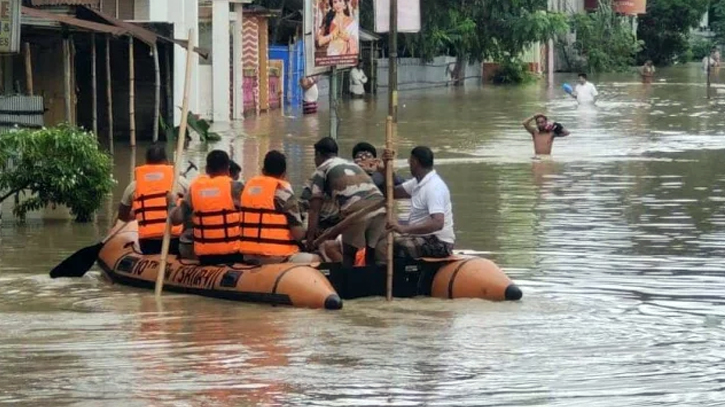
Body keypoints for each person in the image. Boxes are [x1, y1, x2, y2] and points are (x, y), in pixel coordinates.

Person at [305, 137, 386, 268]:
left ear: (318, 155)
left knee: (349, 254)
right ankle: (372, 284)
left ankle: (347, 285)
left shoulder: (321, 170)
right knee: (370, 254)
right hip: (381, 209)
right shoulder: (352, 165)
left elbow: (314, 209)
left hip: (357, 214)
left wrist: (310, 241)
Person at [239, 151, 320, 264]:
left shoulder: (246, 190)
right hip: (277, 257)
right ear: (284, 174)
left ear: (263, 171)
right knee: (318, 259)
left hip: (247, 256)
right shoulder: (284, 194)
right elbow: (298, 235)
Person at [169, 150, 244, 265]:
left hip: (205, 256)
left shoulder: (195, 189)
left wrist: (172, 203)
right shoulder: (236, 187)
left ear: (207, 169)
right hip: (232, 254)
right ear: (228, 169)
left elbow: (176, 219)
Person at [382, 146, 456, 259]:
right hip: (421, 237)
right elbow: (391, 192)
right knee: (384, 239)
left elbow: (438, 223)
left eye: (410, 161)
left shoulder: (434, 187)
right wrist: (386, 167)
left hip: (438, 242)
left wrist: (404, 229)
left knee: (396, 246)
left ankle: (404, 276)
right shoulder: (417, 182)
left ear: (415, 162)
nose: (409, 164)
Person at [117, 145, 188, 255]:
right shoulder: (179, 182)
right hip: (175, 241)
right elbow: (196, 205)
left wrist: (138, 213)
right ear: (167, 161)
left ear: (146, 162)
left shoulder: (133, 186)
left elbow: (122, 215)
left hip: (148, 243)